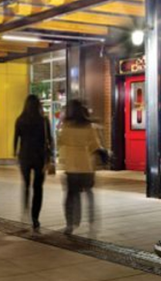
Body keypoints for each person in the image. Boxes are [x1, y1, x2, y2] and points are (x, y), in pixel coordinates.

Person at [57, 99, 102, 235]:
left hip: (71, 166)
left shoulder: (67, 126)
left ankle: (71, 223)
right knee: (89, 193)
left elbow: (60, 142)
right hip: (86, 165)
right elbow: (95, 146)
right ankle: (91, 221)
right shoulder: (88, 126)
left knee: (71, 196)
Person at [14, 94, 53, 229]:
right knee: (38, 188)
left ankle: (25, 210)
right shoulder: (44, 120)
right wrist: (51, 157)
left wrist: (16, 155)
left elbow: (16, 139)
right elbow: (50, 140)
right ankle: (35, 217)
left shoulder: (20, 120)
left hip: (24, 156)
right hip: (39, 158)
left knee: (26, 185)